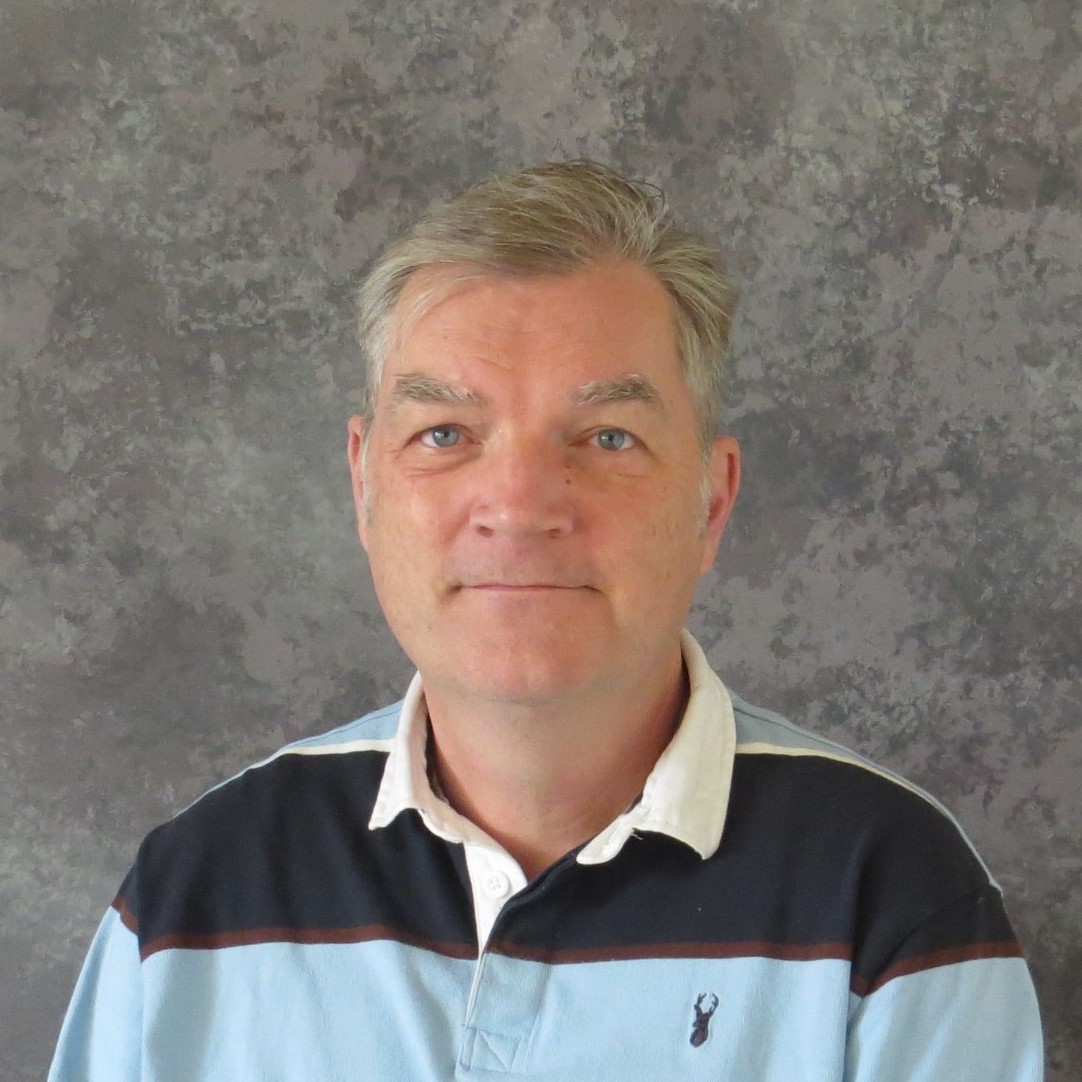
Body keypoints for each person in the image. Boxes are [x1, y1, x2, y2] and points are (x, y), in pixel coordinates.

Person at [50, 161, 1043, 1081]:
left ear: (711, 498)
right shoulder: (193, 895)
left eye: (607, 436)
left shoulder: (891, 895)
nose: (520, 504)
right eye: (445, 432)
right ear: (364, 483)